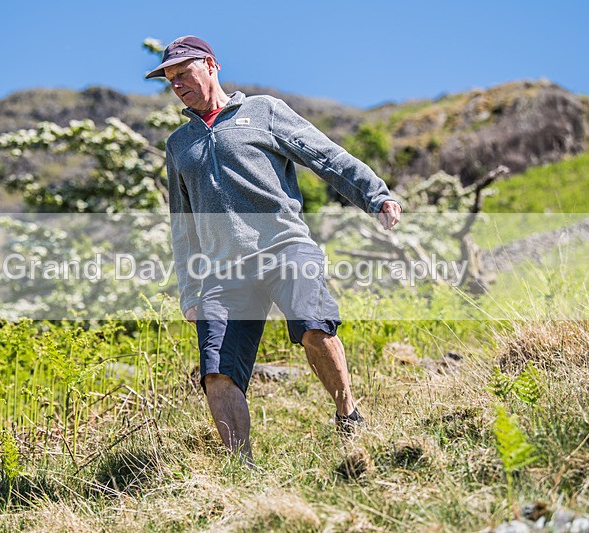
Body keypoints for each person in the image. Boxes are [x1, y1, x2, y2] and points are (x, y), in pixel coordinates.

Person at [146, 36, 402, 464]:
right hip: (221, 271)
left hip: (285, 247)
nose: (177, 84)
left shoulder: (262, 111)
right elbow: (182, 222)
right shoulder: (179, 144)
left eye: (183, 73)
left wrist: (375, 195)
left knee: (313, 326)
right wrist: (190, 290)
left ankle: (348, 416)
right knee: (217, 372)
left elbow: (325, 155)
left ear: (210, 65)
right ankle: (241, 467)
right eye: (170, 79)